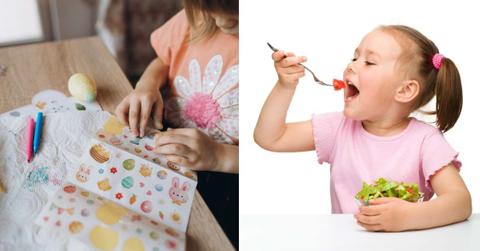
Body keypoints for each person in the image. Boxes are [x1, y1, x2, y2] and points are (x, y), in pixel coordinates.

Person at [254, 25, 471, 232]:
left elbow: (460, 202)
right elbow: (271, 138)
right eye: (355, 57)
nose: (352, 65)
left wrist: (407, 216)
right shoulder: (339, 128)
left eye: (369, 62)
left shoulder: (425, 140)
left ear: (404, 91)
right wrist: (285, 86)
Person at [115, 0, 239, 246]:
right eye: (210, 13)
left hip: (229, 176)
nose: (221, 23)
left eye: (235, 17)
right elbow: (164, 59)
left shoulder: (291, 66)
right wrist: (147, 84)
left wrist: (220, 157)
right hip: (171, 144)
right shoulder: (199, 16)